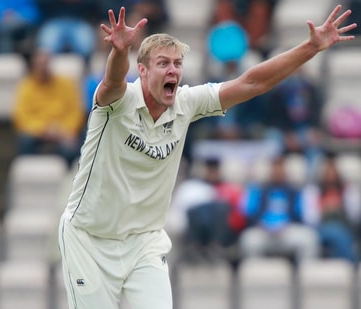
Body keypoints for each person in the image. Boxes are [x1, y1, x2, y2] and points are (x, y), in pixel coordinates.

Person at [57, 5, 356, 308]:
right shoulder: (118, 102)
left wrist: (311, 47)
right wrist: (120, 52)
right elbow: (112, 83)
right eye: (163, 63)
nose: (173, 70)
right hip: (90, 237)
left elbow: (252, 83)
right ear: (143, 70)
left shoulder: (186, 102)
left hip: (143, 240)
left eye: (177, 63)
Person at [12, 49, 86, 168]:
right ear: (33, 66)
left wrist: (64, 130)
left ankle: (70, 180)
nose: (43, 67)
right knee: (25, 140)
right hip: (38, 133)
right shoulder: (26, 86)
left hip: (62, 131)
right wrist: (44, 130)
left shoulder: (65, 84)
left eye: (45, 63)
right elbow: (22, 117)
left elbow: (76, 112)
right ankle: (30, 173)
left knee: (72, 147)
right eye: (39, 64)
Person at [238, 155, 319, 263]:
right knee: (248, 239)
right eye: (275, 169)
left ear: (285, 172)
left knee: (309, 238)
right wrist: (261, 224)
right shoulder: (260, 190)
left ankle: (305, 273)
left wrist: (287, 225)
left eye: (280, 169)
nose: (278, 172)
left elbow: (300, 215)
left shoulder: (294, 191)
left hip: (287, 231)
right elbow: (250, 214)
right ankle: (256, 274)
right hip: (264, 232)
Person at [302, 152, 361, 263]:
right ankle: (352, 265)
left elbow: (355, 215)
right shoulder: (313, 190)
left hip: (346, 227)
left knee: (341, 234)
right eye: (327, 170)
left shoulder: (347, 189)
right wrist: (323, 208)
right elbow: (309, 219)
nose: (330, 174)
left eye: (332, 170)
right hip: (320, 228)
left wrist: (339, 205)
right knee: (337, 233)